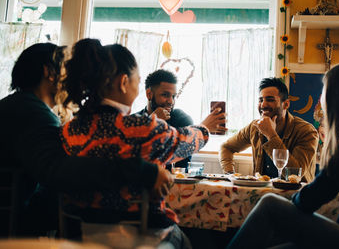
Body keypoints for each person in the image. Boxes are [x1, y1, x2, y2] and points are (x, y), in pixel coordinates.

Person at [60, 39, 226, 248]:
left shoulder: (69, 130)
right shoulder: (142, 127)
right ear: (123, 82)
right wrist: (204, 128)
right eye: (137, 81)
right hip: (139, 236)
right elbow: (184, 142)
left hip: (79, 234)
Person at [0, 43, 173, 237]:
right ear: (49, 71)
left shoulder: (16, 106)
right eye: (69, 69)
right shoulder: (32, 113)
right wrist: (141, 170)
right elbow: (56, 171)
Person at [227, 62, 339, 249]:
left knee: (270, 203)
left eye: (325, 91)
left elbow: (310, 199)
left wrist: (294, 200)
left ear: (335, 97)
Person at [219, 77, 319, 182]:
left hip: (294, 195)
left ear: (286, 104)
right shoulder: (254, 127)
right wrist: (230, 175)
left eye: (270, 100)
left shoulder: (306, 131)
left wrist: (271, 135)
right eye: (261, 100)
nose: (263, 105)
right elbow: (226, 147)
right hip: (262, 193)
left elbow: (294, 174)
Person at [136, 69, 193, 170]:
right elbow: (131, 161)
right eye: (165, 95)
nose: (171, 101)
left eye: (173, 96)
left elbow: (182, 165)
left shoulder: (182, 120)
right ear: (149, 94)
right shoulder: (134, 121)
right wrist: (152, 122)